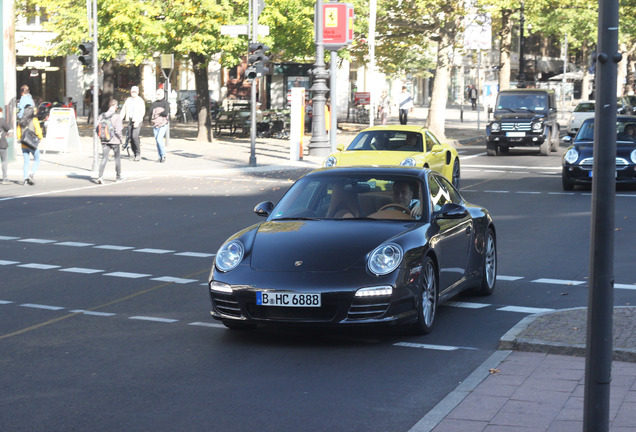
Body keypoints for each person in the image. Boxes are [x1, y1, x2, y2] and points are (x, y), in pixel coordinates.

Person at [95, 99, 125, 184]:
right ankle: (118, 177)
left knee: (104, 158)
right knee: (117, 158)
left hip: (104, 140)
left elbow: (97, 128)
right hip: (115, 140)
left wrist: (101, 137)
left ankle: (100, 176)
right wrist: (121, 140)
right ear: (115, 107)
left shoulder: (102, 115)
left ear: (109, 106)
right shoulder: (116, 116)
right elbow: (118, 131)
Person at [16, 105, 43, 186]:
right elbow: (38, 131)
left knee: (26, 162)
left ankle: (25, 179)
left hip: (24, 144)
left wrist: (21, 139)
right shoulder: (34, 120)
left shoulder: (21, 121)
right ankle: (32, 174)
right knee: (37, 159)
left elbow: (18, 133)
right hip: (32, 144)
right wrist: (40, 138)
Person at [120, 85, 146, 161]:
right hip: (130, 119)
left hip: (137, 120)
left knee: (135, 136)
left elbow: (142, 112)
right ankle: (134, 153)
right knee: (130, 137)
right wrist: (119, 119)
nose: (133, 93)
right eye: (132, 91)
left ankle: (138, 154)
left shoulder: (140, 100)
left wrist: (137, 121)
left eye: (135, 92)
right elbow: (123, 110)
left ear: (137, 92)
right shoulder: (128, 100)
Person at [149, 88, 170, 163]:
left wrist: (157, 113)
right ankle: (159, 156)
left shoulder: (166, 103)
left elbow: (166, 113)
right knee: (157, 141)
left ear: (163, 94)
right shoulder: (154, 103)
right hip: (155, 123)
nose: (158, 95)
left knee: (159, 139)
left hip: (163, 124)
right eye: (157, 94)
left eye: (159, 94)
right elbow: (151, 112)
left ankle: (163, 155)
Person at [0, 107, 12, 184]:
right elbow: (7, 128)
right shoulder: (2, 120)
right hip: (2, 144)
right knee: (4, 161)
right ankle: (5, 178)